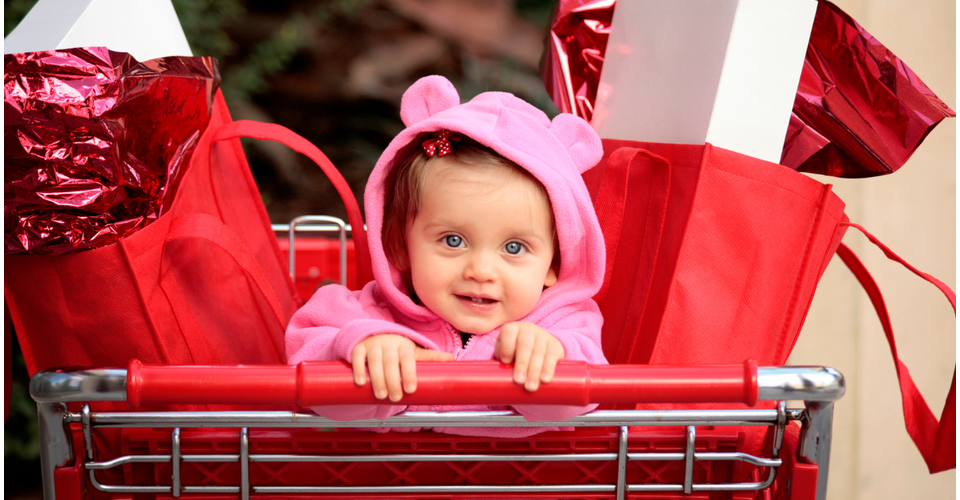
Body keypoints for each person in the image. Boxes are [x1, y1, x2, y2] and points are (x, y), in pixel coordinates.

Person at [285, 75, 607, 436]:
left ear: (555, 264)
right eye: (453, 241)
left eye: (514, 248)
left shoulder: (565, 326)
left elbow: (579, 398)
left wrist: (548, 358)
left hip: (517, 485)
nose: (481, 271)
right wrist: (360, 349)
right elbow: (303, 368)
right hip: (382, 483)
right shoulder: (362, 313)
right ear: (399, 246)